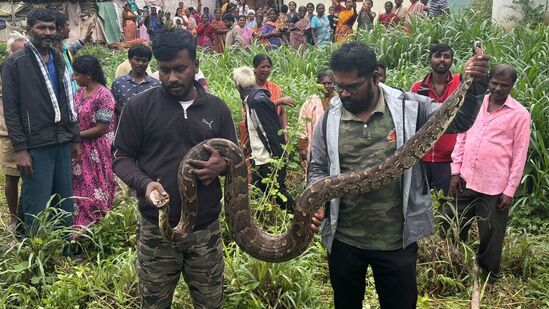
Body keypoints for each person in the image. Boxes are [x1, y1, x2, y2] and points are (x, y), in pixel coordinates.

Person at [308, 41, 490, 308]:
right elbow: (317, 167)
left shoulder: (410, 107)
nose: (343, 94)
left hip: (396, 241)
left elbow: (459, 120)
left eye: (352, 87)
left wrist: (475, 85)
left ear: (375, 77)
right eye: (339, 86)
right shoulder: (329, 118)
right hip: (345, 240)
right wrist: (318, 200)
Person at [113, 29, 237, 308]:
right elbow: (121, 157)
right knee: (154, 303)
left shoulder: (217, 109)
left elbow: (236, 158)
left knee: (210, 303)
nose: (172, 78)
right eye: (165, 70)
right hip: (156, 232)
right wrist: (145, 185)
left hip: (205, 231)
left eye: (180, 69)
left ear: (195, 64)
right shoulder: (139, 107)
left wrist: (223, 164)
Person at [448, 64, 530, 285]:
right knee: (453, 222)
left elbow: (519, 154)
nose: (498, 89)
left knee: (491, 234)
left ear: (512, 86)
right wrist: (455, 172)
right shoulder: (475, 103)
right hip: (466, 178)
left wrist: (510, 190)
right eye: (494, 83)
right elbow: (461, 137)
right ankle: (453, 264)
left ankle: (490, 275)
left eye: (504, 85)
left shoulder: (520, 115)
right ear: (489, 80)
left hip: (495, 185)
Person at [2, 9, 81, 232]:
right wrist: (20, 149)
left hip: (62, 140)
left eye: (51, 28)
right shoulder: (16, 63)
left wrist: (74, 137)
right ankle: (38, 249)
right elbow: (11, 109)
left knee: (64, 199)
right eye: (41, 27)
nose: (47, 32)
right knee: (37, 201)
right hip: (36, 144)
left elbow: (68, 101)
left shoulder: (58, 57)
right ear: (30, 30)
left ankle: (64, 248)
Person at [233, 66, 295, 211]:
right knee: (258, 195)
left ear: (238, 86)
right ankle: (264, 224)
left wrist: (277, 161)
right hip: (259, 159)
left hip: (268, 160)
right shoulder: (251, 100)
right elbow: (255, 130)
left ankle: (301, 217)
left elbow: (270, 133)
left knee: (279, 194)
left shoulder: (257, 101)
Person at [409, 44, 461, 195]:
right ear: (429, 59)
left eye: (446, 56)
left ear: (452, 60)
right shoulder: (418, 88)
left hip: (449, 160)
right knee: (420, 204)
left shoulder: (460, 84)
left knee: (447, 207)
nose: (442, 60)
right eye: (437, 56)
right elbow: (412, 122)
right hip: (422, 159)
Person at [71, 56, 116, 227]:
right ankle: (79, 224)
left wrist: (76, 135)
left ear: (88, 75)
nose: (74, 78)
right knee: (79, 186)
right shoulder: (79, 92)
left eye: (77, 74)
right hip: (79, 146)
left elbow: (101, 128)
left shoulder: (104, 95)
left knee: (94, 185)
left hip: (96, 148)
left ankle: (96, 222)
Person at [0, 35, 26, 231]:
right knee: (11, 177)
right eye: (17, 51)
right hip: (8, 133)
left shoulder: (32, 70)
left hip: (32, 133)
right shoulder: (4, 71)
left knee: (31, 176)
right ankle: (13, 217)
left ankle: (27, 213)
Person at [297, 71, 335, 170]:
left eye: (329, 83)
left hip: (335, 145)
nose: (326, 86)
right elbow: (302, 125)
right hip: (316, 146)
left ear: (334, 84)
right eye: (323, 83)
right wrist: (302, 148)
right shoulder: (310, 102)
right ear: (318, 85)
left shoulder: (339, 101)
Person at [111, 45, 160, 118]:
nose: (140, 63)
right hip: (125, 126)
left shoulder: (156, 84)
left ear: (148, 62)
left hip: (149, 126)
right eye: (137, 59)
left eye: (144, 60)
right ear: (130, 60)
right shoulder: (118, 83)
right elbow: (114, 109)